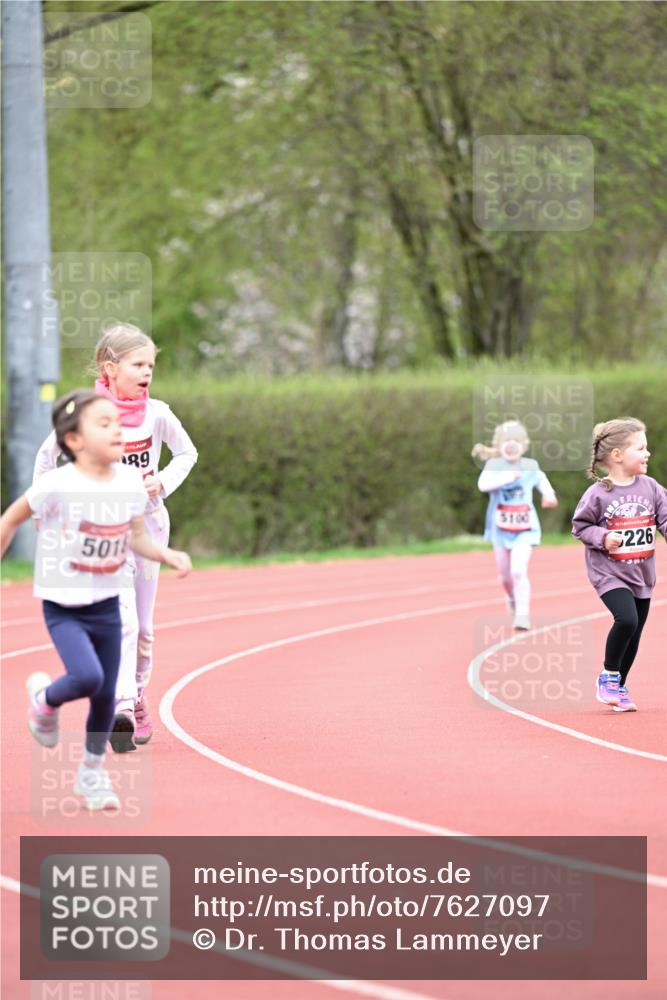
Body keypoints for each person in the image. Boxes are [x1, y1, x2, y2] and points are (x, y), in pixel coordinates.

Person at [1, 390, 192, 810]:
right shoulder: (55, 484)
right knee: (88, 677)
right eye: (103, 424)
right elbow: (11, 520)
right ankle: (45, 701)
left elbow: (139, 536)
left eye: (118, 423)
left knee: (106, 695)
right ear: (74, 440)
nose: (117, 430)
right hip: (65, 604)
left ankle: (91, 774)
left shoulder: (128, 483)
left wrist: (167, 553)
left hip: (107, 601)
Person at [33, 324, 198, 751]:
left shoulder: (157, 413)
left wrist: (160, 483)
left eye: (151, 365)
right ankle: (121, 705)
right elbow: (47, 457)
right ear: (111, 368)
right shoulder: (88, 413)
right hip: (103, 531)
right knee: (121, 618)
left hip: (149, 527)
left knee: (144, 627)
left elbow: (187, 452)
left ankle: (137, 694)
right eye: (138, 364)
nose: (147, 372)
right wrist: (46, 508)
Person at [572, 417, 666, 712]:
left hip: (641, 573)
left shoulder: (651, 487)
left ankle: (619, 686)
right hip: (609, 574)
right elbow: (580, 526)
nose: (647, 453)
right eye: (640, 448)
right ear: (617, 455)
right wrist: (603, 536)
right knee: (626, 620)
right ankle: (608, 676)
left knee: (635, 633)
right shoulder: (599, 493)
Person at [473, 420, 558, 630]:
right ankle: (511, 597)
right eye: (507, 441)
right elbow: (482, 485)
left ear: (524, 444)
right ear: (499, 444)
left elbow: (541, 479)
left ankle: (522, 614)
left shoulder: (530, 466)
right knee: (505, 576)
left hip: (525, 529)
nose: (511, 445)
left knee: (518, 571)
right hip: (500, 530)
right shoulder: (494, 466)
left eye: (516, 441)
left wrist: (548, 494)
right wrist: (506, 477)